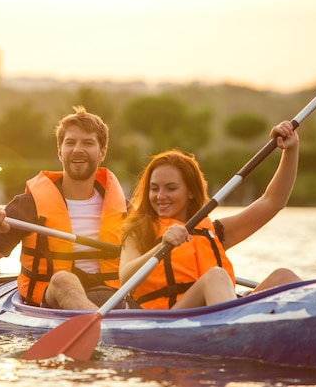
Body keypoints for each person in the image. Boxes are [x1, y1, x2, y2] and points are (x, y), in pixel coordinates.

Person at [119, 120, 302, 310]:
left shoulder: (215, 232)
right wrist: (162, 246)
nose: (160, 196)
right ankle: (234, 329)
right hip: (171, 319)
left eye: (171, 188)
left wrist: (290, 150)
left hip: (218, 315)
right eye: (154, 188)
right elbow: (125, 278)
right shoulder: (138, 231)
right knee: (216, 276)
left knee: (283, 277)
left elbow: (272, 202)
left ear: (191, 192)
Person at [0, 106, 128, 311]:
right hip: (50, 302)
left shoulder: (126, 211)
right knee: (63, 281)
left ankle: (102, 327)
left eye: (88, 143)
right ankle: (102, 333)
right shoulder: (28, 206)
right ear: (60, 152)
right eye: (70, 143)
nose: (78, 149)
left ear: (102, 153)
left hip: (112, 300)